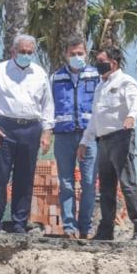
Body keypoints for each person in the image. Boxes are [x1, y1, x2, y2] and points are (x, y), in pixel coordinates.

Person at [0, 34, 54, 234]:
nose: (26, 55)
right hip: (5, 129)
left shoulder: (40, 74)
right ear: (13, 51)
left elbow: (47, 106)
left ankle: (19, 223)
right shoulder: (0, 71)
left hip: (31, 129)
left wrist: (46, 132)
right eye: (22, 52)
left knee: (25, 178)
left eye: (30, 52)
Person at [78, 47, 137, 241]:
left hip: (121, 137)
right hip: (103, 140)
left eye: (102, 61)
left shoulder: (126, 81)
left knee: (127, 184)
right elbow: (95, 117)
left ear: (114, 63)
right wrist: (85, 141)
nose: (98, 64)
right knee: (106, 188)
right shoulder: (100, 86)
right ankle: (106, 230)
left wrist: (132, 117)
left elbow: (136, 104)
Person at [51, 36, 100, 239]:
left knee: (89, 182)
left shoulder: (96, 76)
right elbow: (48, 106)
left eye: (80, 53)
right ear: (65, 55)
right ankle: (69, 227)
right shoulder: (55, 78)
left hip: (89, 136)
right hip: (63, 136)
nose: (76, 57)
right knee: (66, 183)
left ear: (86, 54)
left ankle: (85, 227)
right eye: (72, 54)